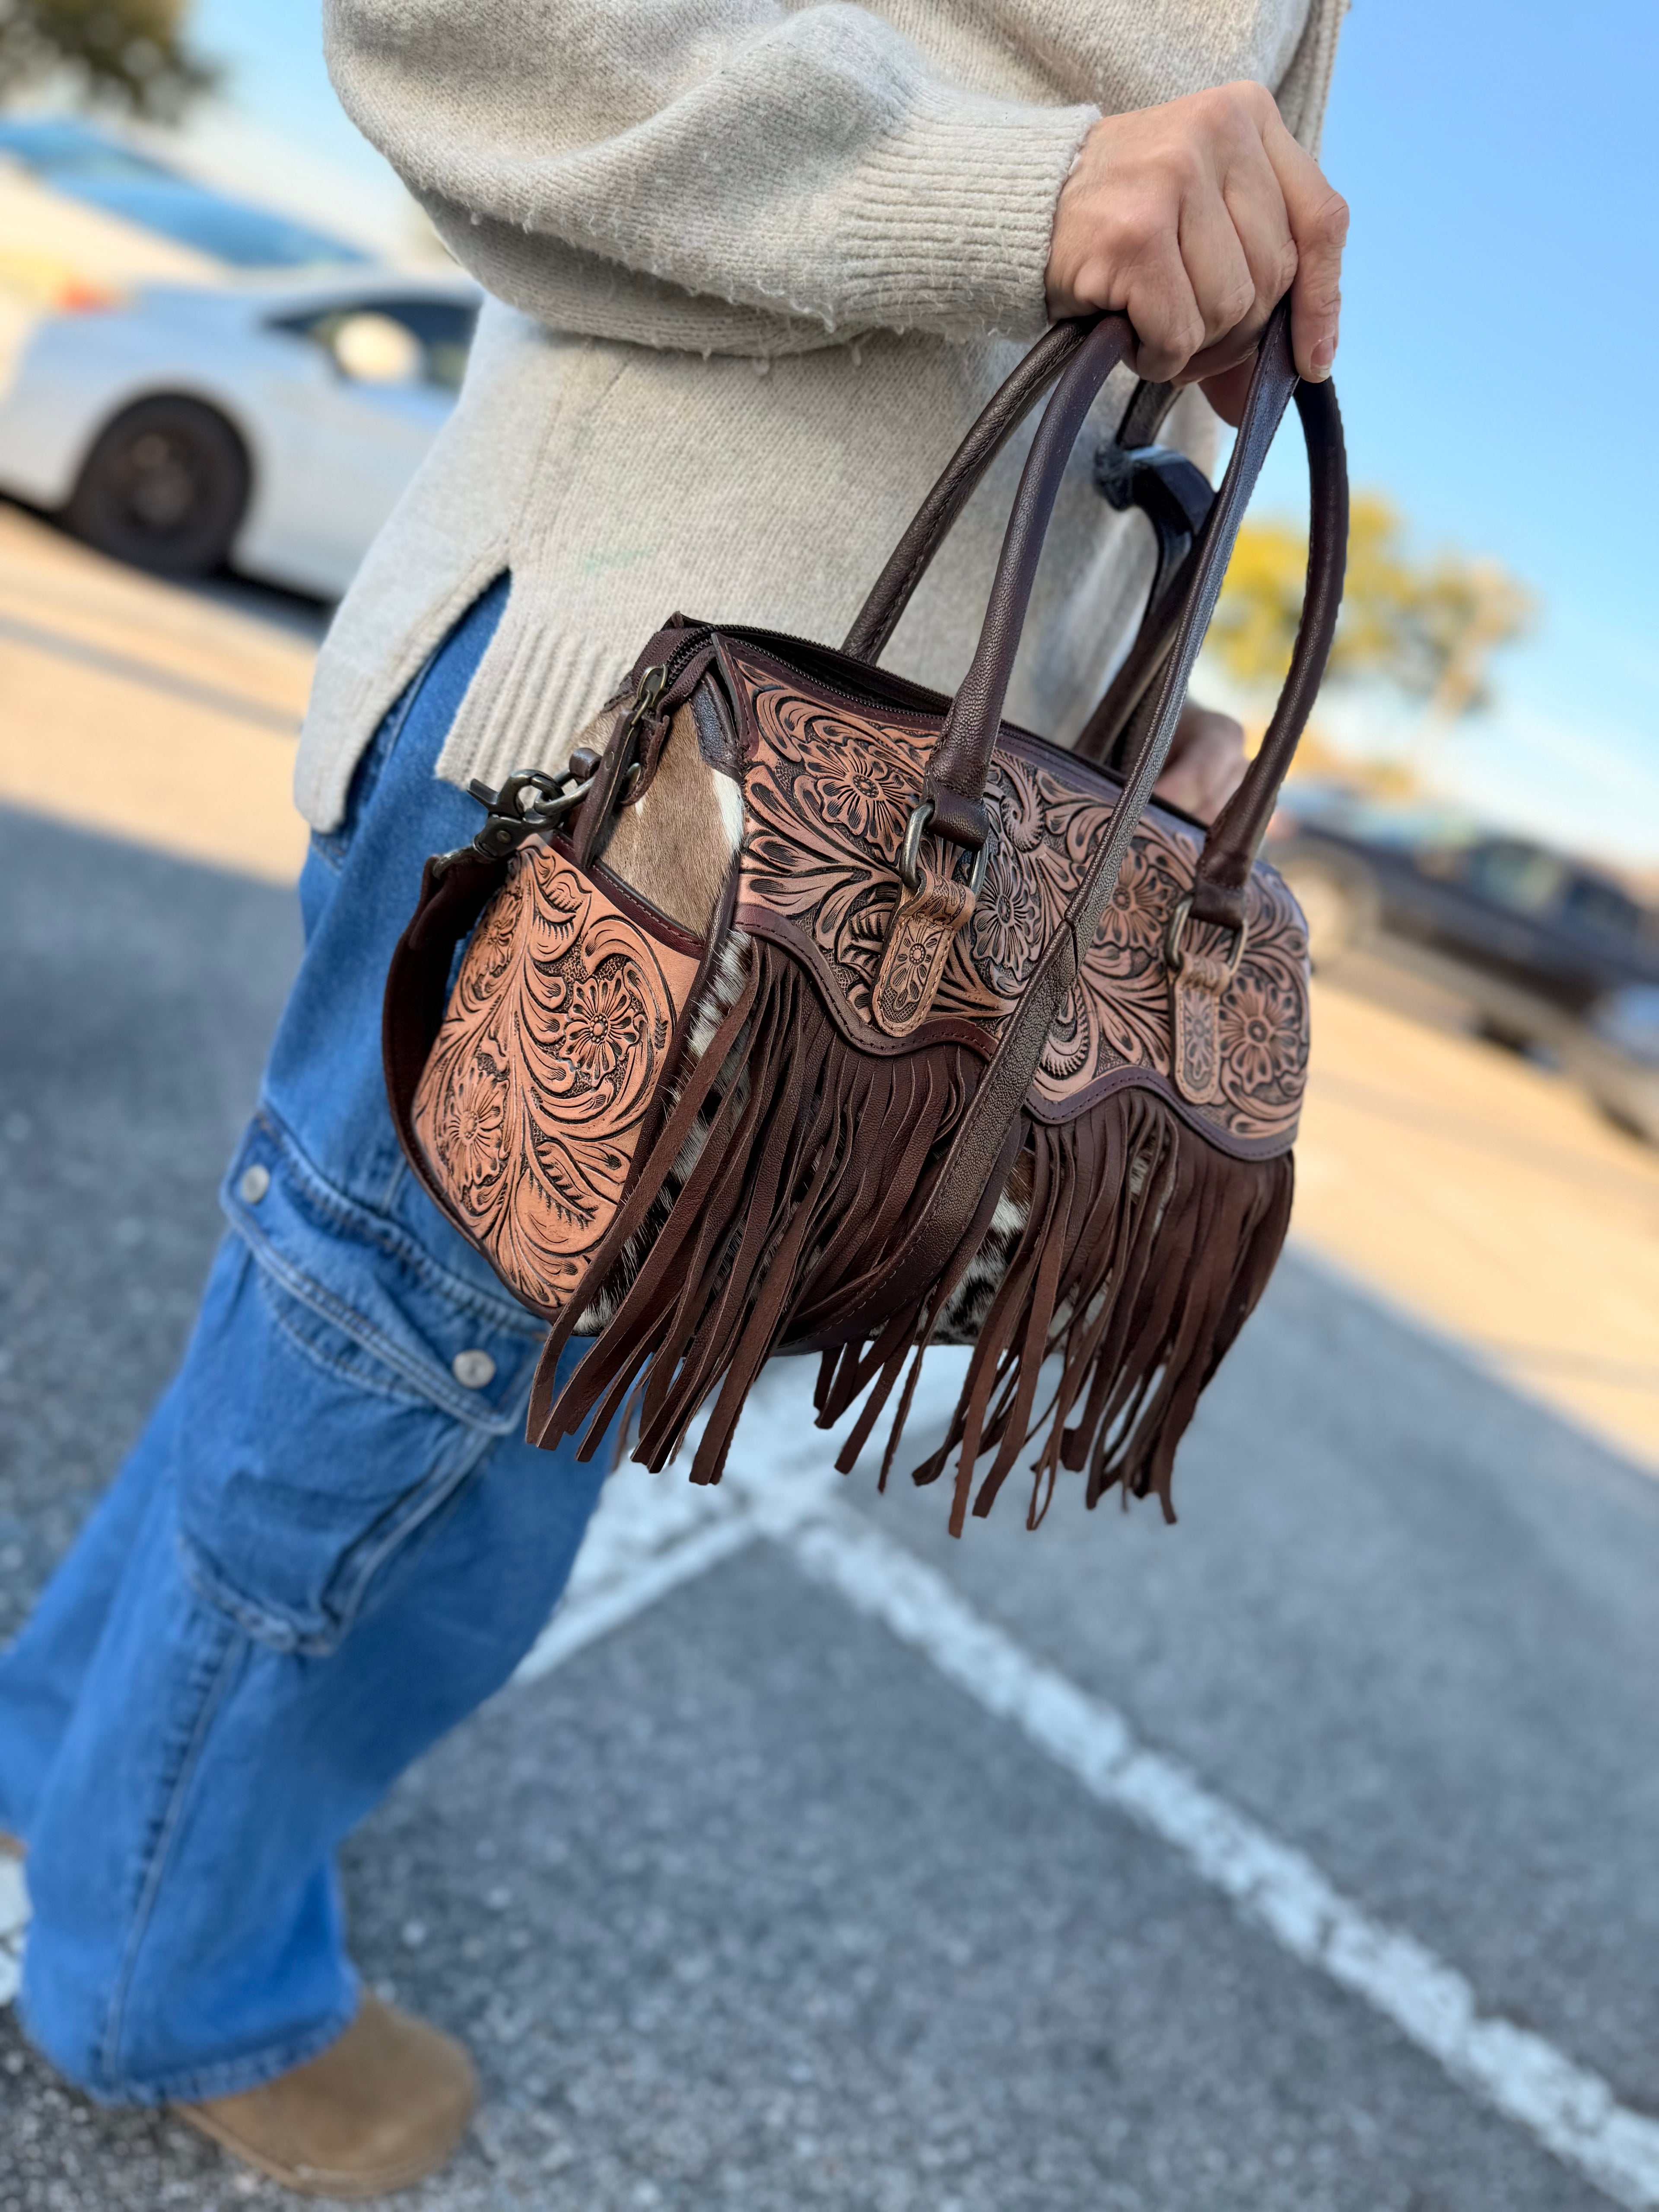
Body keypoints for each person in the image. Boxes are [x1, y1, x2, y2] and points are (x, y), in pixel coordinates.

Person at [0, 2, 1348, 2195]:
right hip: (636, 766)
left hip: (830, 842)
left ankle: (67, 1756)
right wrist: (1017, 186)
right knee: (409, 1409)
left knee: (362, 1344)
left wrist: (1125, 723)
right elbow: (462, 31)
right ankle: (163, 1980)